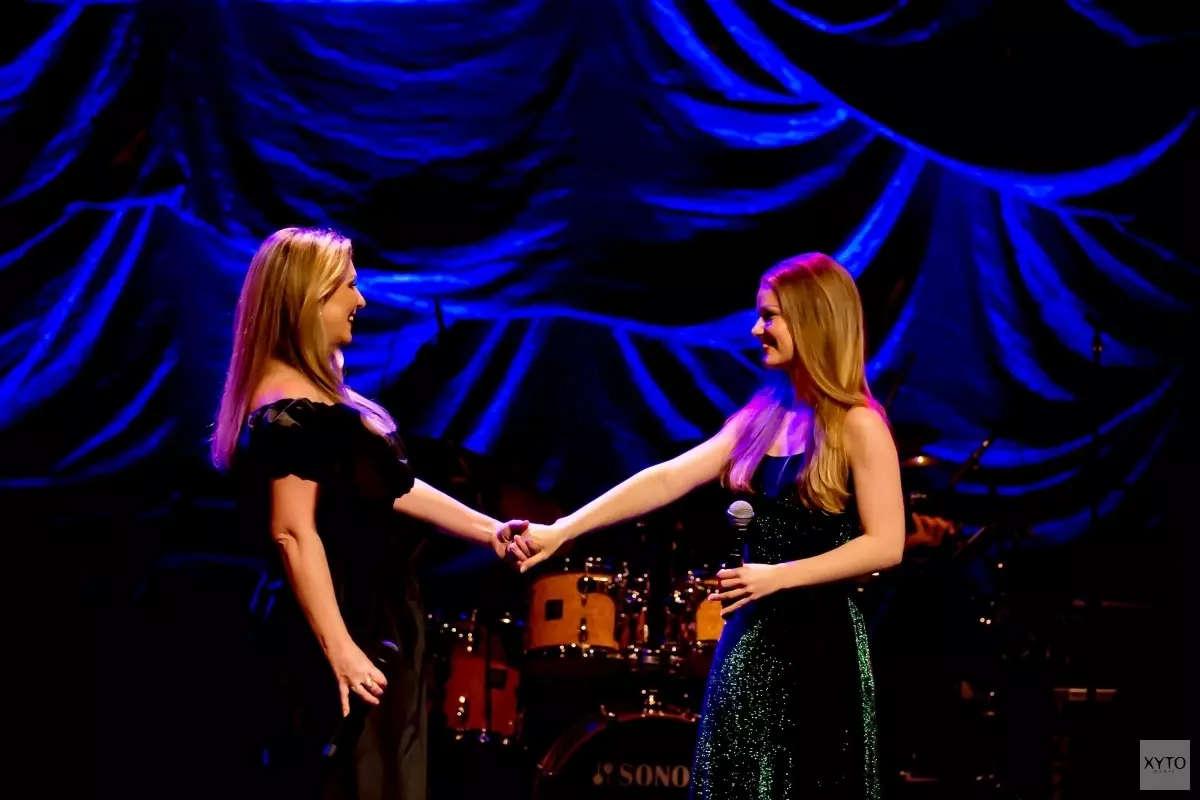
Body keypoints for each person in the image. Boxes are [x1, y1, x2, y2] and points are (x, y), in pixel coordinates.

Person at [517, 253, 905, 799]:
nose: (756, 330)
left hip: (821, 647)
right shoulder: (761, 419)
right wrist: (563, 529)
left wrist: (779, 576)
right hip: (750, 640)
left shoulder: (859, 426)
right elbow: (666, 478)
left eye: (769, 316)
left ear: (812, 320)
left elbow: (886, 544)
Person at [211, 227, 528, 800]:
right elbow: (291, 532)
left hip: (376, 619)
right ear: (309, 299)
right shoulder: (288, 410)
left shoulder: (319, 399)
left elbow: (390, 488)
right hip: (341, 621)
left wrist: (490, 532)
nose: (360, 300)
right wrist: (341, 651)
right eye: (349, 287)